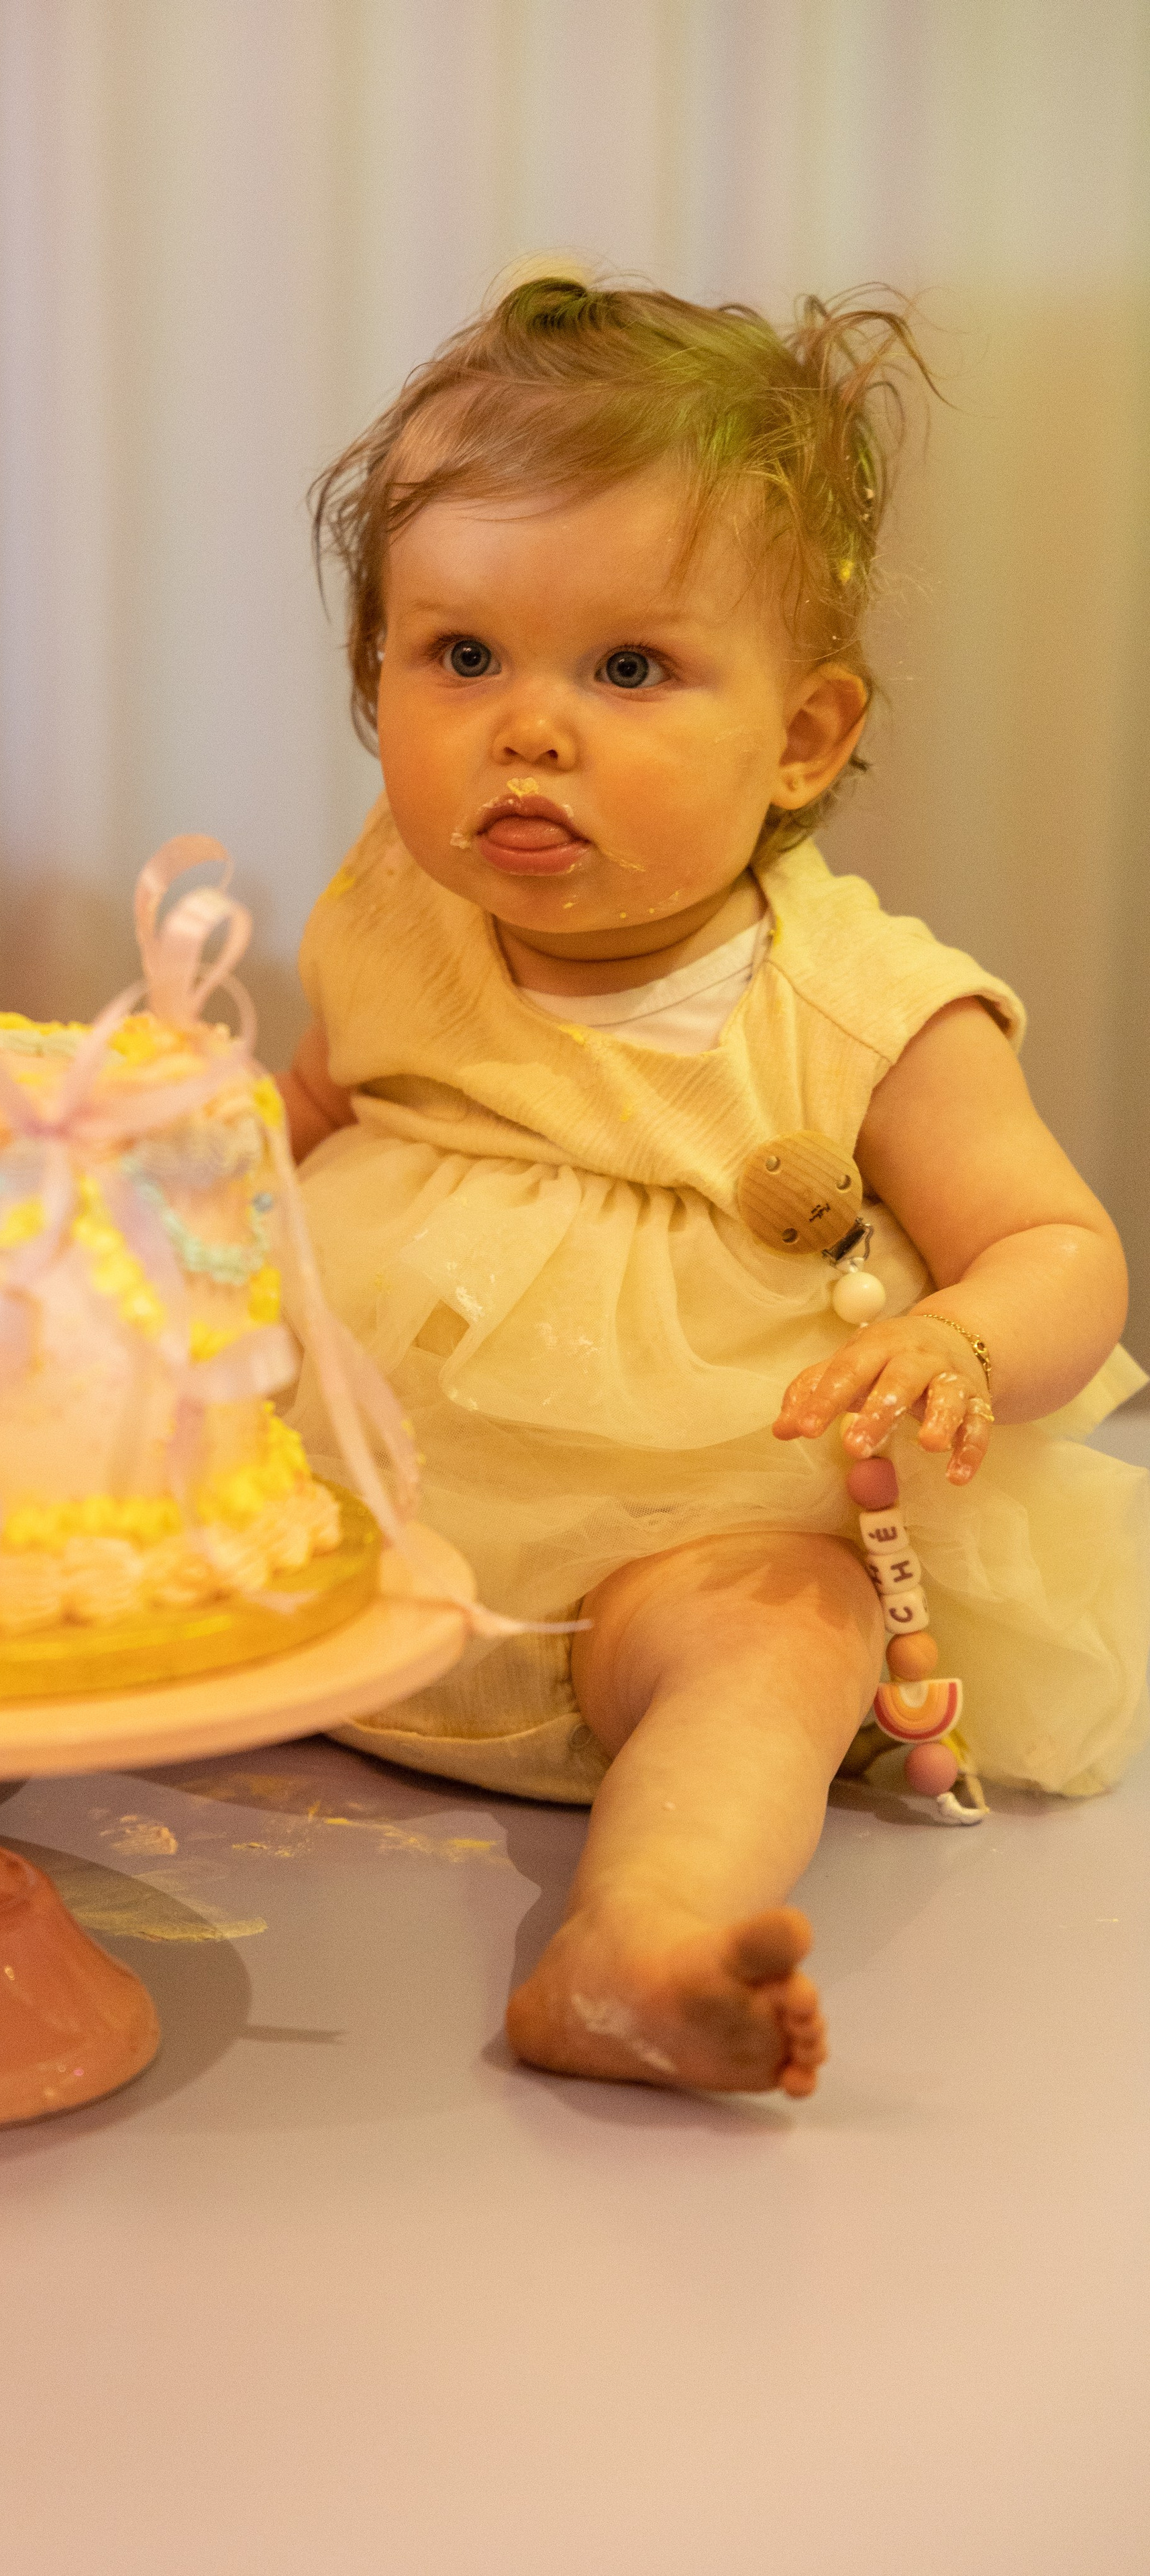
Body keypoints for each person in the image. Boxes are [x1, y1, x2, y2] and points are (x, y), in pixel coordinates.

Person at [277, 272, 1150, 2098]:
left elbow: (1063, 1246)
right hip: (329, 1512)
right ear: (379, 680)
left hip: (662, 1566)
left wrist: (965, 1339)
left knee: (790, 1627)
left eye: (628, 669)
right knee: (47, 1477)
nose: (530, 728)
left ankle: (641, 1938)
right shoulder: (392, 912)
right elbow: (306, 1110)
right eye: (461, 658)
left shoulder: (862, 1008)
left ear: (806, 738)